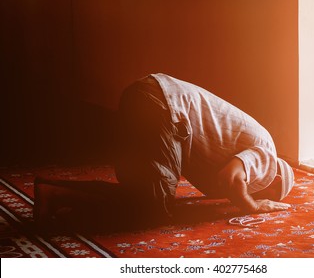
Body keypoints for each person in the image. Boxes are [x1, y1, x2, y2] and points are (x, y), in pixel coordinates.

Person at [33, 73, 294, 229]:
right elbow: (232, 178)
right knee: (154, 209)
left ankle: (57, 195)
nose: (257, 191)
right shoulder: (268, 156)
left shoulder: (247, 144)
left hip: (147, 97)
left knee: (141, 195)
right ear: (276, 179)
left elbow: (219, 182)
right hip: (160, 107)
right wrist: (252, 205)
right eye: (268, 193)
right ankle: (57, 195)